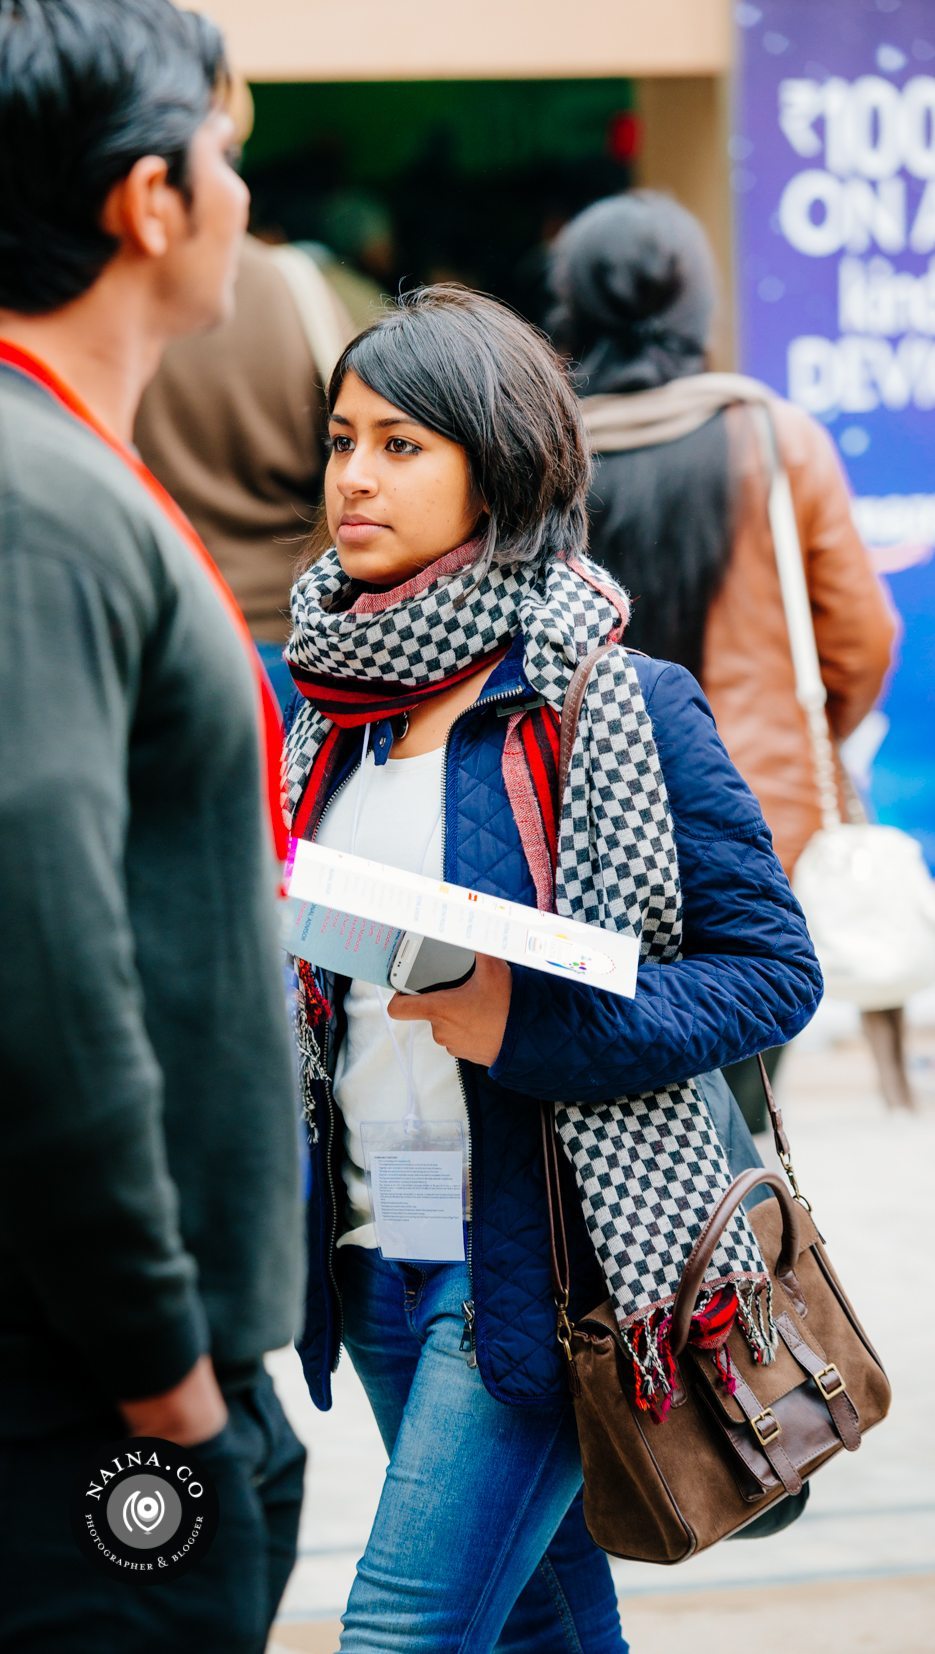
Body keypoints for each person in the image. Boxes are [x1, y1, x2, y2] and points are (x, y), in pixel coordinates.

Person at [283, 285, 823, 1651]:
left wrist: (522, 1023)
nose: (352, 474)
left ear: (500, 461)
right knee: (540, 1625)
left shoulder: (615, 699)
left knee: (399, 1628)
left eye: (400, 444)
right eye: (341, 437)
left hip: (535, 1258)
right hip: (370, 1252)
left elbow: (768, 972)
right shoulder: (328, 706)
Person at [0, 4, 304, 1649]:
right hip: (96, 1394)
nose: (248, 200)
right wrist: (166, 1372)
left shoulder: (61, 466)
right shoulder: (29, 498)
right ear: (148, 199)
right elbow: (42, 960)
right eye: (229, 155)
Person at [548, 190, 898, 1122]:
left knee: (595, 1117)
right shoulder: (777, 440)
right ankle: (722, 1264)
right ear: (696, 307)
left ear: (569, 302)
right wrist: (802, 740)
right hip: (756, 830)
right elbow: (860, 642)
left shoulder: (544, 454)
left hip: (572, 832)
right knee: (737, 1122)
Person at [136, 225, 353, 712]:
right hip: (290, 636)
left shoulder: (112, 292)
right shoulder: (295, 288)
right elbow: (357, 439)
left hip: (157, 634)